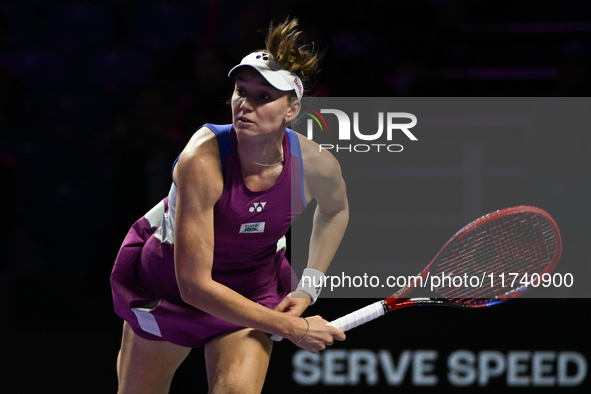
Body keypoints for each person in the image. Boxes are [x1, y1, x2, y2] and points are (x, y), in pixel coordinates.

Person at [111, 17, 349, 394]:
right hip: (171, 289)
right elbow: (195, 286)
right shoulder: (202, 161)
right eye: (241, 91)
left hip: (249, 293)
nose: (245, 105)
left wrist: (308, 287)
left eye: (263, 96)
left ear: (292, 110)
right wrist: (294, 327)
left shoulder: (316, 164)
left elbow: (336, 211)